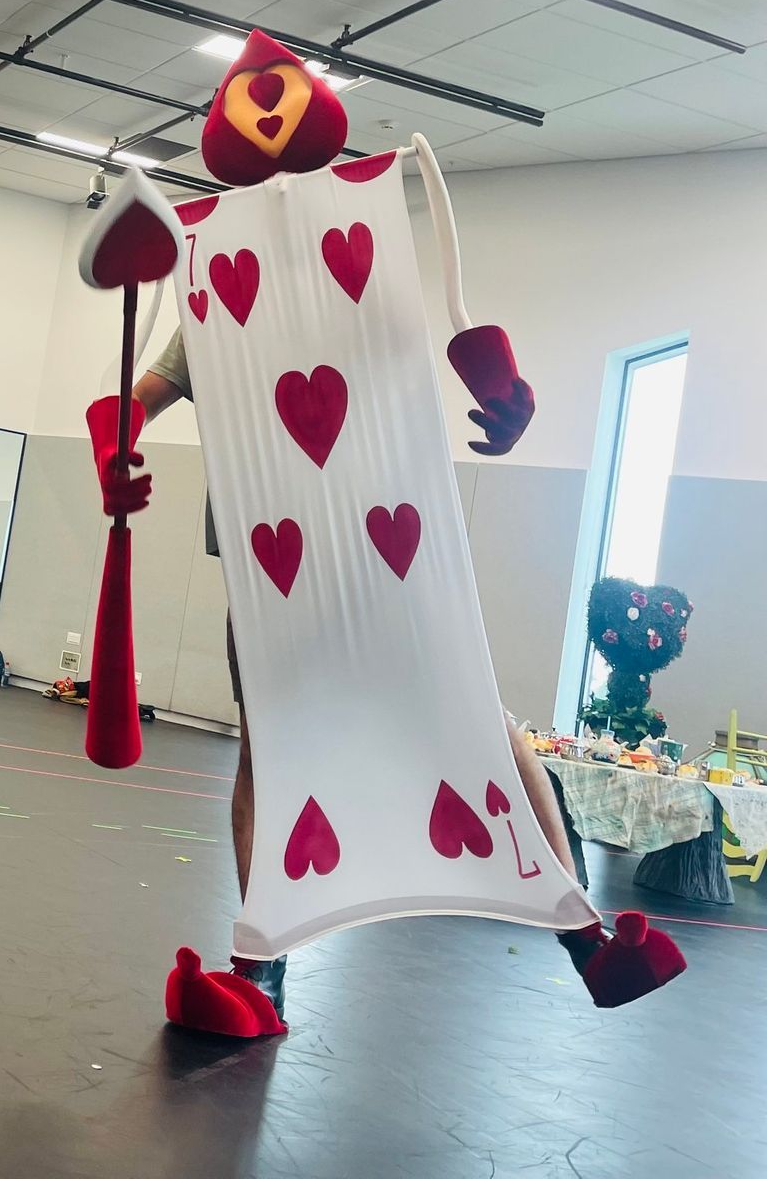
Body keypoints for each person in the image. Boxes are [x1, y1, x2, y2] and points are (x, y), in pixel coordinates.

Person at [133, 327, 585, 1019]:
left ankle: (581, 925)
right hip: (266, 567)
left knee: (477, 719)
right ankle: (262, 959)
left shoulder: (365, 281)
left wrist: (507, 399)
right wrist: (114, 442)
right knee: (264, 754)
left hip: (376, 547)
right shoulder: (211, 309)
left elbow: (455, 377)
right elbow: (136, 403)